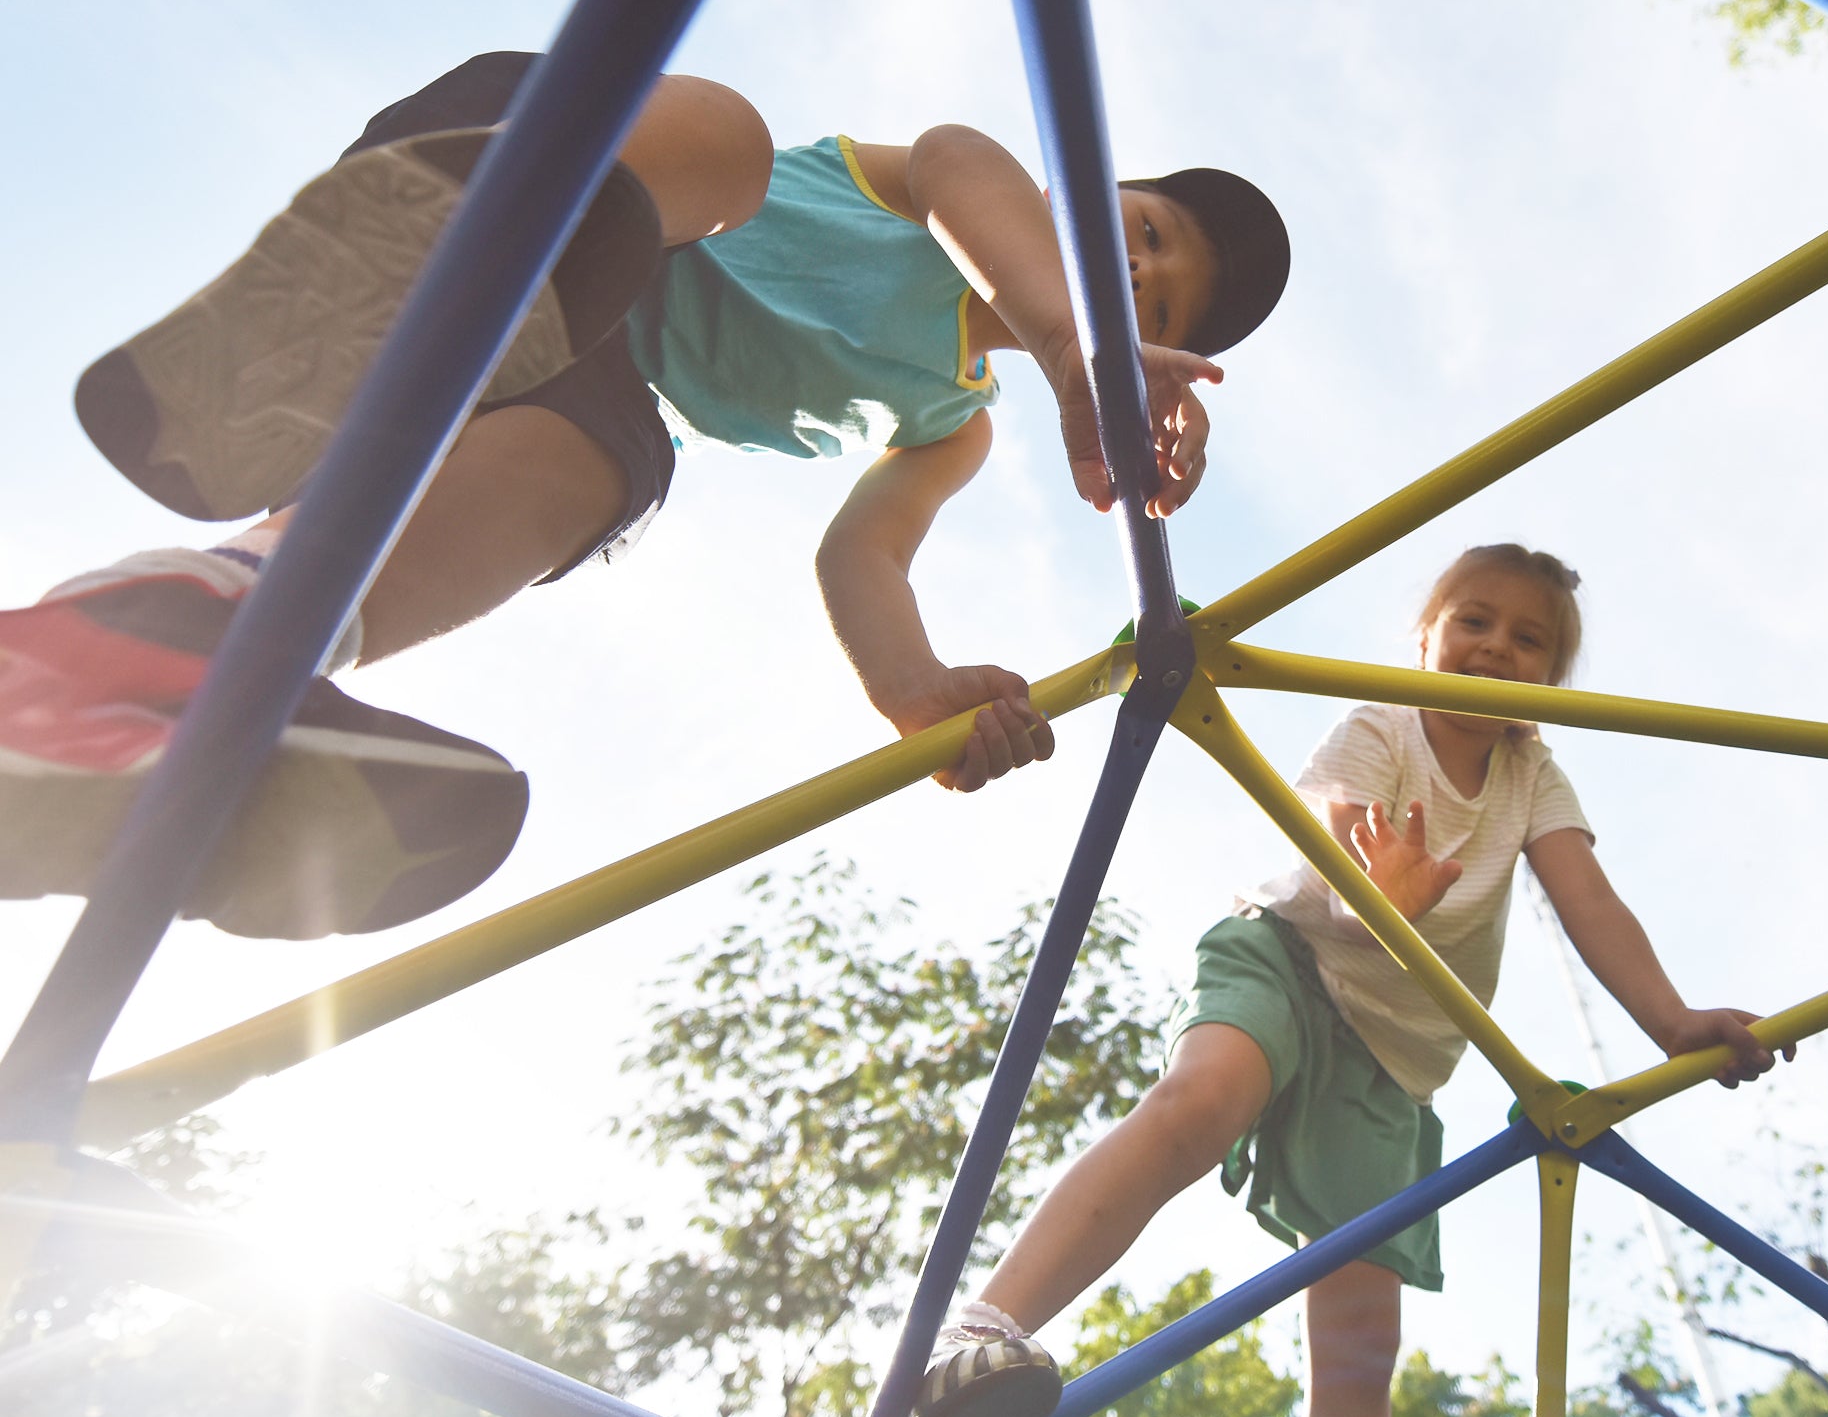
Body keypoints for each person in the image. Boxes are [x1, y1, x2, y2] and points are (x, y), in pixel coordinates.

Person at [0, 53, 1289, 939]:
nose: (1134, 262)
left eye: (1156, 300)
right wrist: (1074, 346)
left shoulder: (949, 425)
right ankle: (436, 258)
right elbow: (960, 171)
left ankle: (216, 618)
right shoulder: (950, 182)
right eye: (1148, 224)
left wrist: (908, 688)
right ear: (1086, 188)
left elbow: (865, 564)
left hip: (568, 365)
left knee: (615, 466)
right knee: (724, 142)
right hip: (542, 167)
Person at [910, 543, 1791, 1417]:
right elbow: (1333, 835)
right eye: (1473, 620)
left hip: (1392, 1061)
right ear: (1422, 640)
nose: (1496, 649)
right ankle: (978, 1329)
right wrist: (1376, 887)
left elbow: (1586, 896)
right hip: (1290, 956)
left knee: (1362, 1347)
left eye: (1529, 641)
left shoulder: (1531, 777)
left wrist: (1668, 1018)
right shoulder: (1378, 720)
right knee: (1201, 1099)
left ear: (1548, 685)